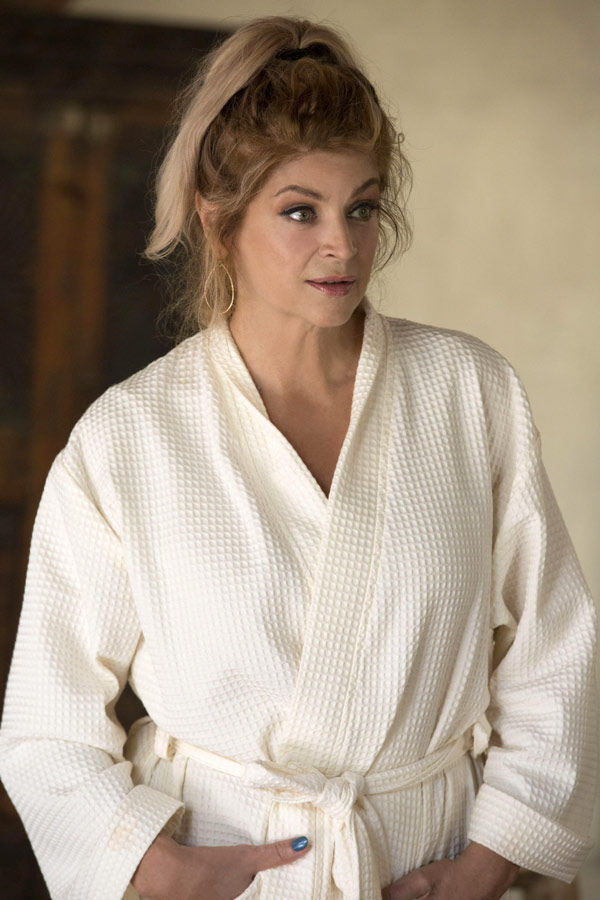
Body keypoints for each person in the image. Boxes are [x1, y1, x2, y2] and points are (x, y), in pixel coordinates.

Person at [0, 14, 596, 900]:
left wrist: (491, 859)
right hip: (223, 866)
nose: (342, 245)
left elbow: (556, 651)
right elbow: (48, 724)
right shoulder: (127, 439)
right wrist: (149, 866)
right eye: (299, 211)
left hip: (424, 863)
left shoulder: (470, 394)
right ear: (218, 220)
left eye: (362, 206)